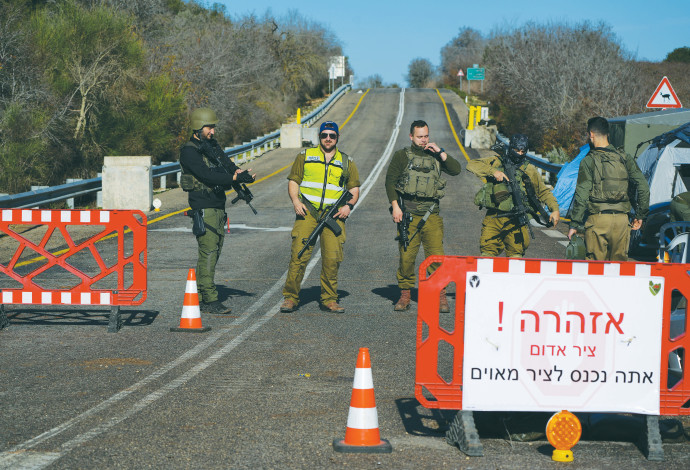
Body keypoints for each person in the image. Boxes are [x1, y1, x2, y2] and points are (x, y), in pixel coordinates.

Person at [179, 108, 255, 314]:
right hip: (203, 205)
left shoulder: (211, 146)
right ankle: (209, 299)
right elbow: (206, 176)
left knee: (215, 250)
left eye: (213, 127)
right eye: (209, 127)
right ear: (198, 126)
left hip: (217, 204)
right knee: (209, 251)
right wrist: (233, 179)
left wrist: (240, 173)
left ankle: (204, 296)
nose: (212, 131)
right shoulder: (189, 151)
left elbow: (227, 164)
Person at [279, 121, 361, 314]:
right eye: (324, 135)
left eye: (332, 135)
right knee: (299, 255)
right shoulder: (305, 156)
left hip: (334, 215)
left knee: (332, 258)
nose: (328, 139)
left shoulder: (347, 161)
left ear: (337, 137)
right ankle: (290, 298)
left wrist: (348, 206)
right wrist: (296, 202)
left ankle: (330, 299)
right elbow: (294, 181)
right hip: (308, 212)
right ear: (319, 137)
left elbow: (354, 189)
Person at [385, 120, 462, 312]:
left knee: (436, 257)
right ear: (411, 136)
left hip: (431, 215)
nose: (423, 140)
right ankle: (405, 295)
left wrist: (440, 151)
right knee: (406, 258)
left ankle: (441, 296)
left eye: (426, 136)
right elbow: (390, 182)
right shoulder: (402, 156)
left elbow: (456, 169)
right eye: (419, 136)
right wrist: (395, 207)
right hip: (408, 215)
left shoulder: (435, 155)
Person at [567, 116, 650, 261]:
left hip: (597, 220)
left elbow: (582, 195)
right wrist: (640, 215)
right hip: (622, 221)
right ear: (608, 134)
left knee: (595, 269)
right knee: (618, 270)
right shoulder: (625, 157)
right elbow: (643, 186)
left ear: (590, 134)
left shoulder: (588, 160)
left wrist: (574, 224)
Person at [467, 133, 560, 258]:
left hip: (517, 220)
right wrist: (493, 172)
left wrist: (555, 209)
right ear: (510, 148)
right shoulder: (496, 162)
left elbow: (543, 191)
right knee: (487, 256)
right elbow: (471, 164)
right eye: (516, 150)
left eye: (523, 151)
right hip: (494, 217)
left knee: (516, 258)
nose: (519, 154)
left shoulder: (529, 169)